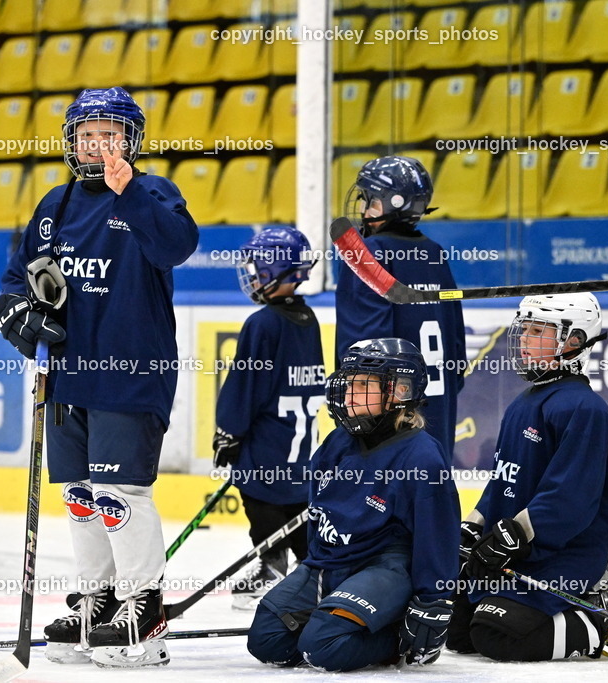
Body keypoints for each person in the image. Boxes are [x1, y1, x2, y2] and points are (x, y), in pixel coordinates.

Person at [0, 87, 198, 667]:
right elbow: (16, 281)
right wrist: (17, 315)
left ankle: (143, 606)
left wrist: (129, 192)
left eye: (110, 134)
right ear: (71, 142)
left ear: (131, 142)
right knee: (81, 497)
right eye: (87, 135)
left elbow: (176, 246)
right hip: (66, 377)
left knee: (120, 495)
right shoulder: (54, 204)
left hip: (130, 374)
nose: (97, 144)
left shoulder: (154, 192)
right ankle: (98, 599)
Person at [448, 293, 608, 662]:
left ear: (574, 341)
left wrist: (513, 536)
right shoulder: (522, 403)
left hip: (561, 556)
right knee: (457, 632)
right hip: (517, 551)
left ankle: (603, 612)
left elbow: (570, 499)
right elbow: (504, 479)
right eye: (525, 329)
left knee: (497, 636)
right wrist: (475, 524)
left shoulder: (584, 408)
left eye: (538, 331)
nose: (524, 339)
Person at [245, 338, 461, 671]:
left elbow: (438, 538)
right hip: (329, 563)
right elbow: (320, 514)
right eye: (349, 384)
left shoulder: (422, 457)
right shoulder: (337, 442)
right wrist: (311, 566)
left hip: (383, 566)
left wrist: (433, 601)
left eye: (363, 385)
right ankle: (340, 618)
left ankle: (395, 633)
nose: (349, 394)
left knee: (322, 646)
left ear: (400, 390)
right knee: (266, 640)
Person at [212, 227, 326, 610]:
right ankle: (311, 572)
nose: (252, 276)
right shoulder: (307, 318)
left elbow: (245, 387)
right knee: (297, 514)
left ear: (274, 270)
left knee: (258, 498)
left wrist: (229, 433)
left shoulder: (262, 323)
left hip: (268, 451)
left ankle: (272, 567)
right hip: (300, 458)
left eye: (257, 269)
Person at [335, 155, 466, 463]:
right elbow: (457, 354)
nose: (364, 210)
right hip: (436, 422)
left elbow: (366, 354)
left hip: (387, 427)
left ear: (389, 203)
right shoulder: (434, 253)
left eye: (370, 201)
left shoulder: (369, 252)